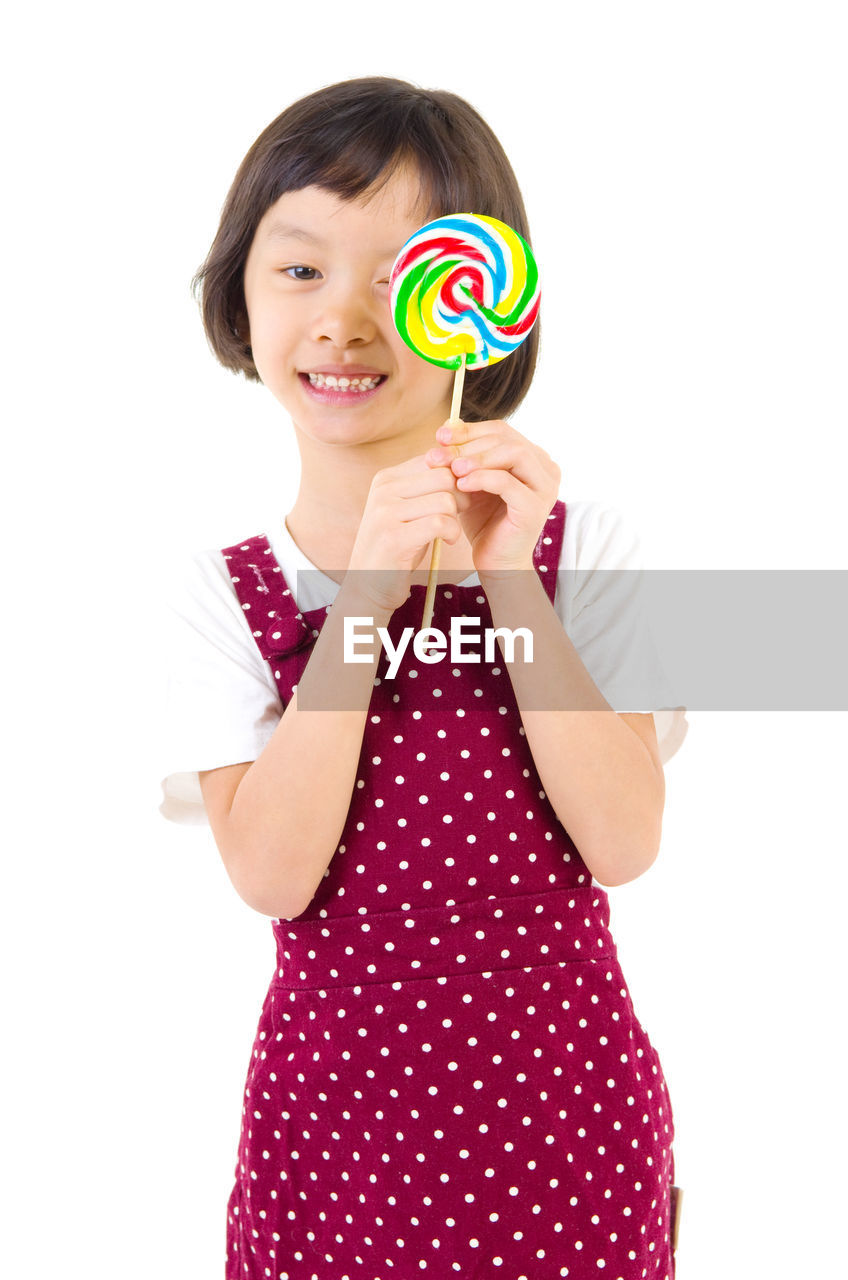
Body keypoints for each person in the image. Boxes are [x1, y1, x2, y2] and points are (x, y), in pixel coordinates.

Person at [161, 76, 687, 1280]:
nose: (346, 318)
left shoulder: (586, 546)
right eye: (300, 269)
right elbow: (270, 873)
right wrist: (362, 606)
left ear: (478, 310)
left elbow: (624, 838)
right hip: (335, 1148)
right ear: (240, 294)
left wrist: (508, 584)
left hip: (567, 1139)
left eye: (403, 276)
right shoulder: (218, 588)